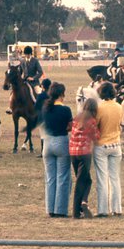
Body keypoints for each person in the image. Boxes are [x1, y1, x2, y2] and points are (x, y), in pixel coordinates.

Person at [40, 82, 72, 218]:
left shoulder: (45, 108)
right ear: (61, 94)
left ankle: (50, 209)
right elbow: (70, 127)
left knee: (50, 177)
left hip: (47, 143)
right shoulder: (65, 110)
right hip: (61, 142)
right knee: (63, 177)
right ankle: (60, 209)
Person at [93, 81, 123, 217]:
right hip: (116, 144)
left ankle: (103, 209)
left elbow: (96, 125)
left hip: (101, 144)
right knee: (114, 178)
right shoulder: (119, 107)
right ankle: (117, 208)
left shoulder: (99, 108)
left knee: (102, 178)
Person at [68, 98, 99, 219]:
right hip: (84, 153)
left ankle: (83, 204)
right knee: (82, 182)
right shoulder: (91, 121)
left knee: (85, 180)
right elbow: (96, 137)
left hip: (73, 153)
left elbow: (70, 128)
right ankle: (77, 210)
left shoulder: (77, 117)